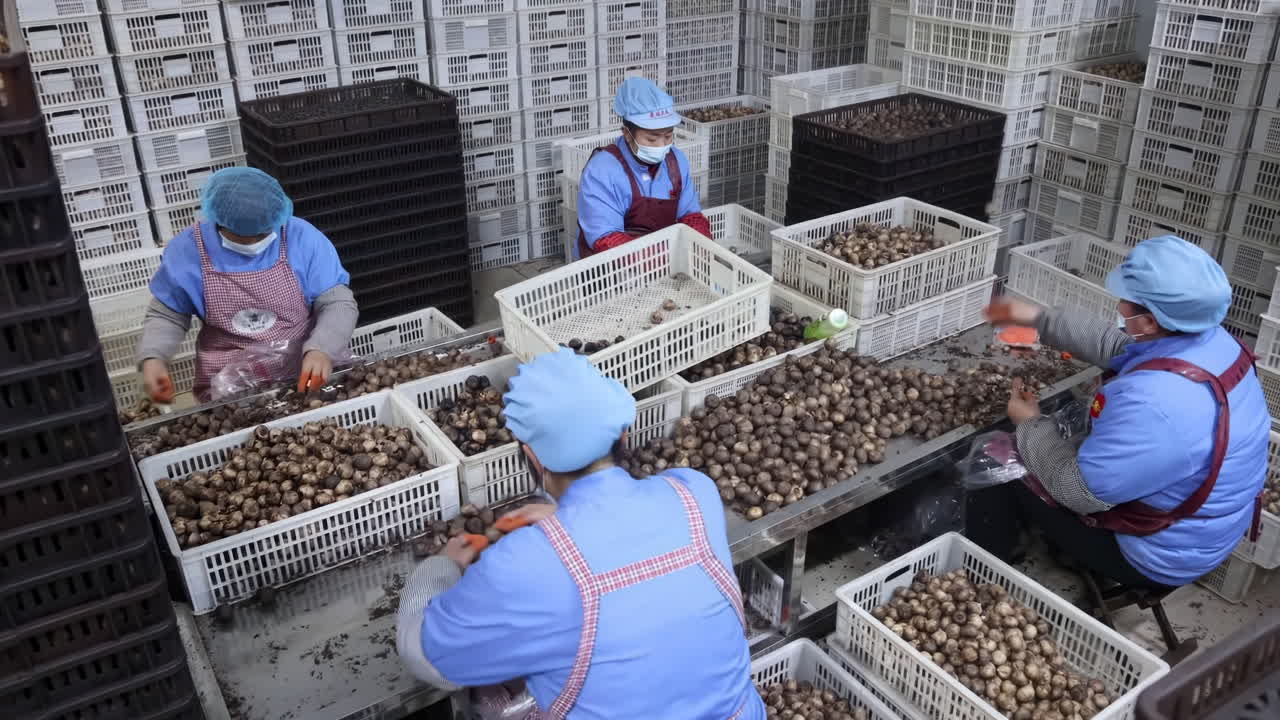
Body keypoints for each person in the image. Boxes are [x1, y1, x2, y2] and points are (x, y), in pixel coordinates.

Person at [396, 348, 764, 719]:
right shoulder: (693, 493)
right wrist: (566, 516)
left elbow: (425, 658)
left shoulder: (526, 563)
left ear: (533, 458)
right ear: (624, 434)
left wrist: (439, 568)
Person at [970, 235, 1270, 590]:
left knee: (995, 461)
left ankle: (983, 573)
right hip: (1209, 529)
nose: (1119, 305)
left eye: (1127, 301)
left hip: (1158, 556)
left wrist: (1030, 423)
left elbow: (1074, 489)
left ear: (1149, 322)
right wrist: (1036, 318)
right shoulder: (1214, 341)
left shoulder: (1156, 404)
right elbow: (1118, 346)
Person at [137, 167, 358, 403]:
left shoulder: (302, 238)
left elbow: (337, 302)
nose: (253, 244)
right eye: (241, 238)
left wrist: (322, 348)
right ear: (218, 222)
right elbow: (168, 315)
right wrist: (153, 357)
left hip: (303, 373)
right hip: (229, 386)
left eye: (262, 234)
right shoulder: (188, 251)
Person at [575, 77, 711, 260]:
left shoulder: (676, 162)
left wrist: (703, 247)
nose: (662, 145)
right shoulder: (602, 171)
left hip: (664, 265)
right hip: (609, 272)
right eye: (651, 139)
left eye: (668, 136)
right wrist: (661, 260)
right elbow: (606, 239)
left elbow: (690, 215)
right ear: (627, 134)